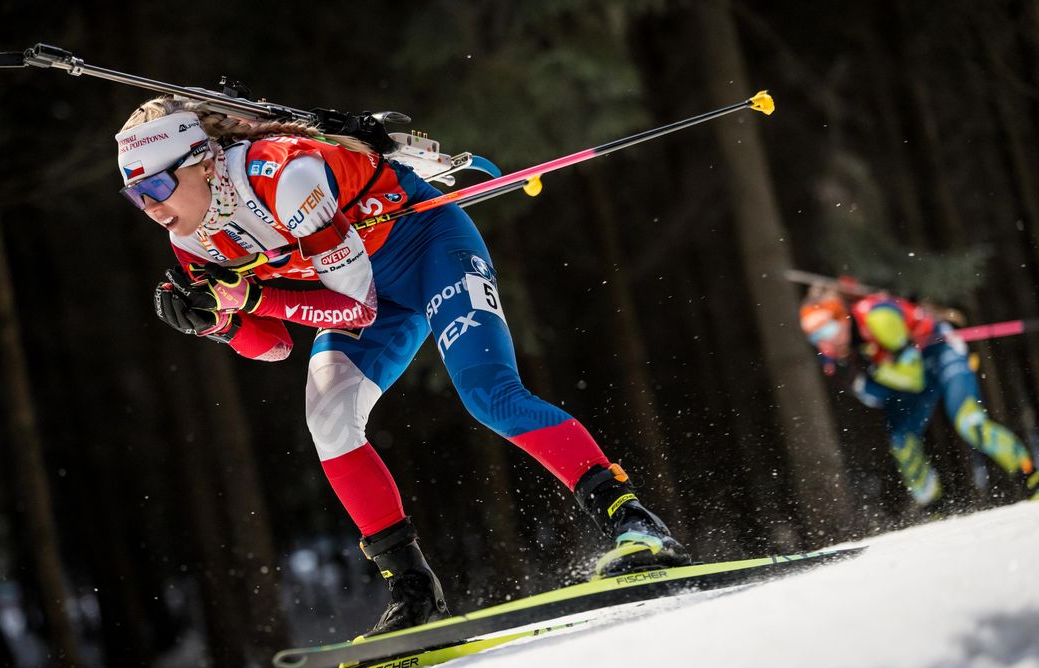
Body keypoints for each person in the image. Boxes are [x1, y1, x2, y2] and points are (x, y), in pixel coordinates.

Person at [114, 98, 689, 634]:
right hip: (361, 292)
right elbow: (275, 347)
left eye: (158, 184)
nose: (152, 207)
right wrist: (216, 322)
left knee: (486, 392)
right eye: (136, 197)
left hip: (428, 250)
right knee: (329, 419)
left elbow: (354, 305)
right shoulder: (192, 240)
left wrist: (249, 300)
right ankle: (413, 590)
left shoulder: (283, 173)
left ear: (204, 161)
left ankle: (632, 522)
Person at [798, 288, 1039, 506]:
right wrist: (858, 380)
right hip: (907, 378)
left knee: (970, 423)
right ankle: (935, 508)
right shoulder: (835, 358)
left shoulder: (877, 317)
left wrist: (873, 369)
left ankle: (1033, 480)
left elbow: (914, 376)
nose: (824, 343)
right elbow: (876, 398)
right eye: (815, 338)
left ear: (842, 319)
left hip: (940, 356)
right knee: (902, 443)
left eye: (827, 331)